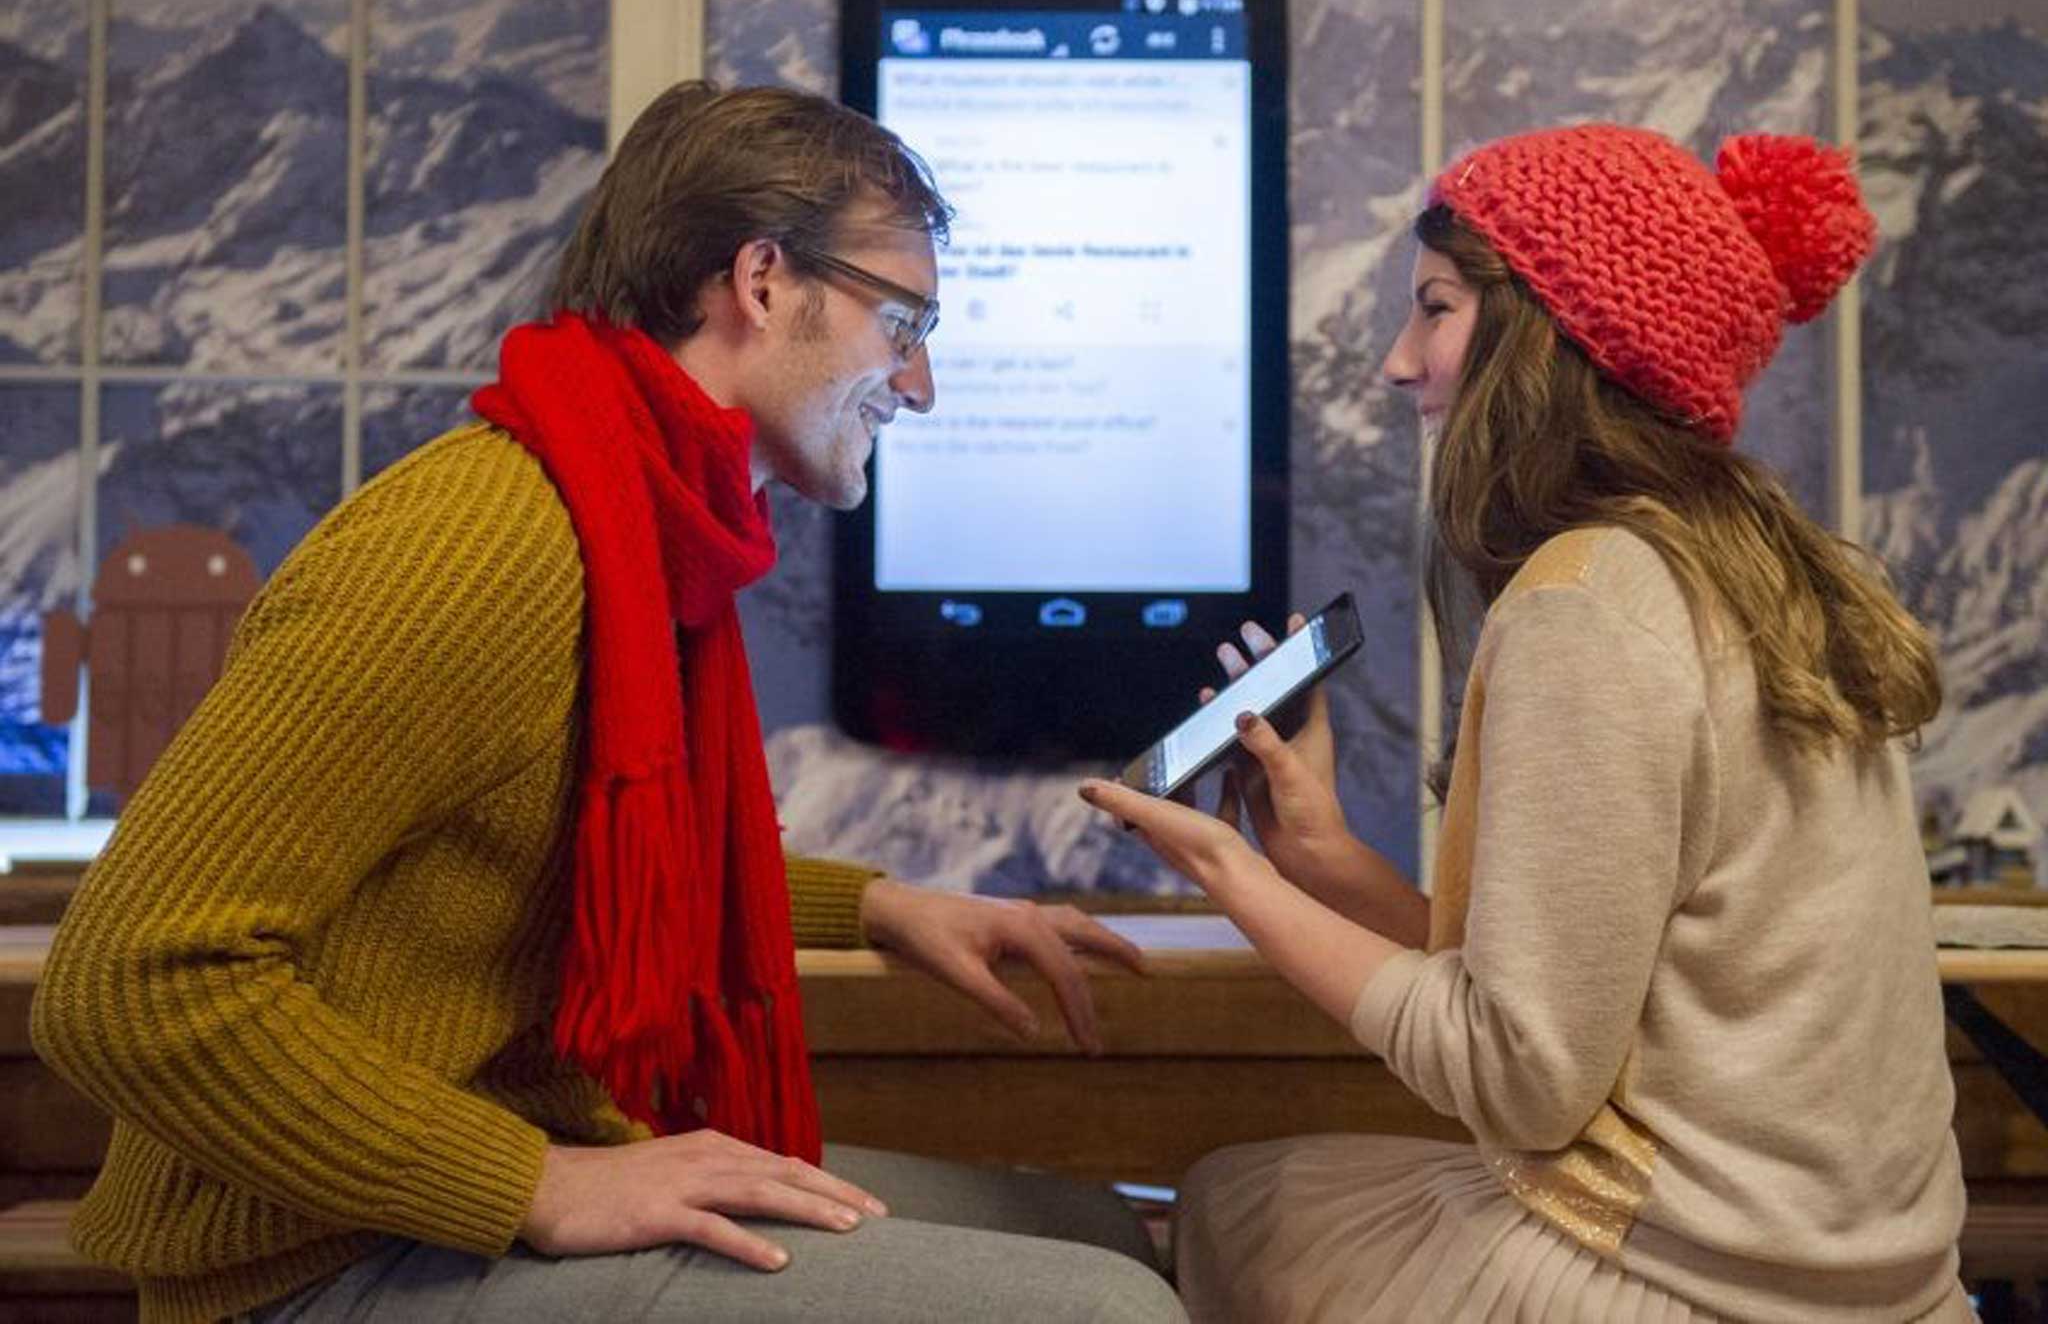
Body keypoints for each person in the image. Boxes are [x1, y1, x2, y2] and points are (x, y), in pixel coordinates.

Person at [32, 81, 1185, 1324]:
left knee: (1099, 1228)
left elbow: (568, 852)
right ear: (760, 282)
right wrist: (534, 1181)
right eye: (902, 325)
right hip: (318, 1256)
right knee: (1098, 1312)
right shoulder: (476, 545)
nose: (918, 388)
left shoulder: (632, 519)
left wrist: (885, 909)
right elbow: (129, 981)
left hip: (455, 1182)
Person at [1083, 125, 1969, 1322]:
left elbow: (1519, 1080)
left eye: (1435, 310)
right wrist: (1324, 862)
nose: (1399, 364)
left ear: (1546, 338)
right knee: (1239, 1193)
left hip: (1690, 1286)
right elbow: (1567, 998)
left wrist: (1231, 874)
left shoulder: (1586, 604)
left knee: (1225, 1204)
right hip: (1850, 1282)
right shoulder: (1743, 569)